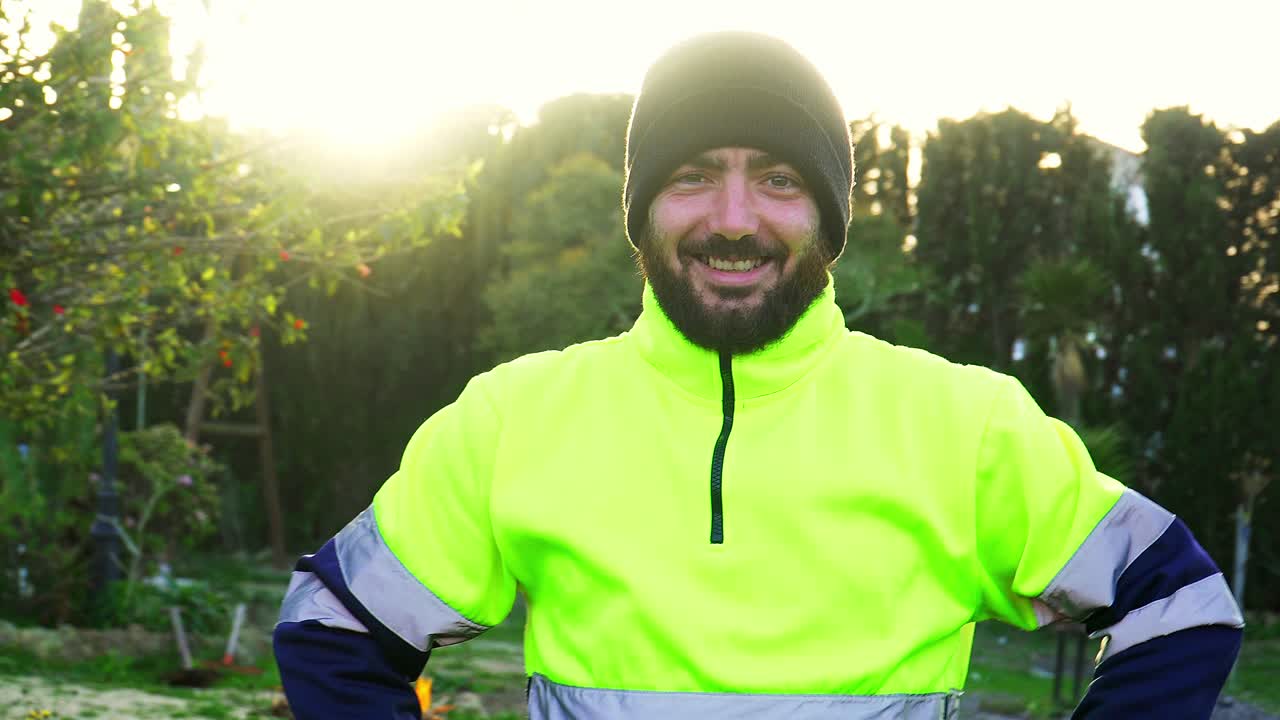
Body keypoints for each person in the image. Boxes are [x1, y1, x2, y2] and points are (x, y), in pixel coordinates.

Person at [273, 31, 1244, 719]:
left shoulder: (966, 422)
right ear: (641, 208)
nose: (733, 218)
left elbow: (1181, 608)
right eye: (693, 172)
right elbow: (332, 624)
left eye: (778, 179)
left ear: (825, 216)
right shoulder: (512, 418)